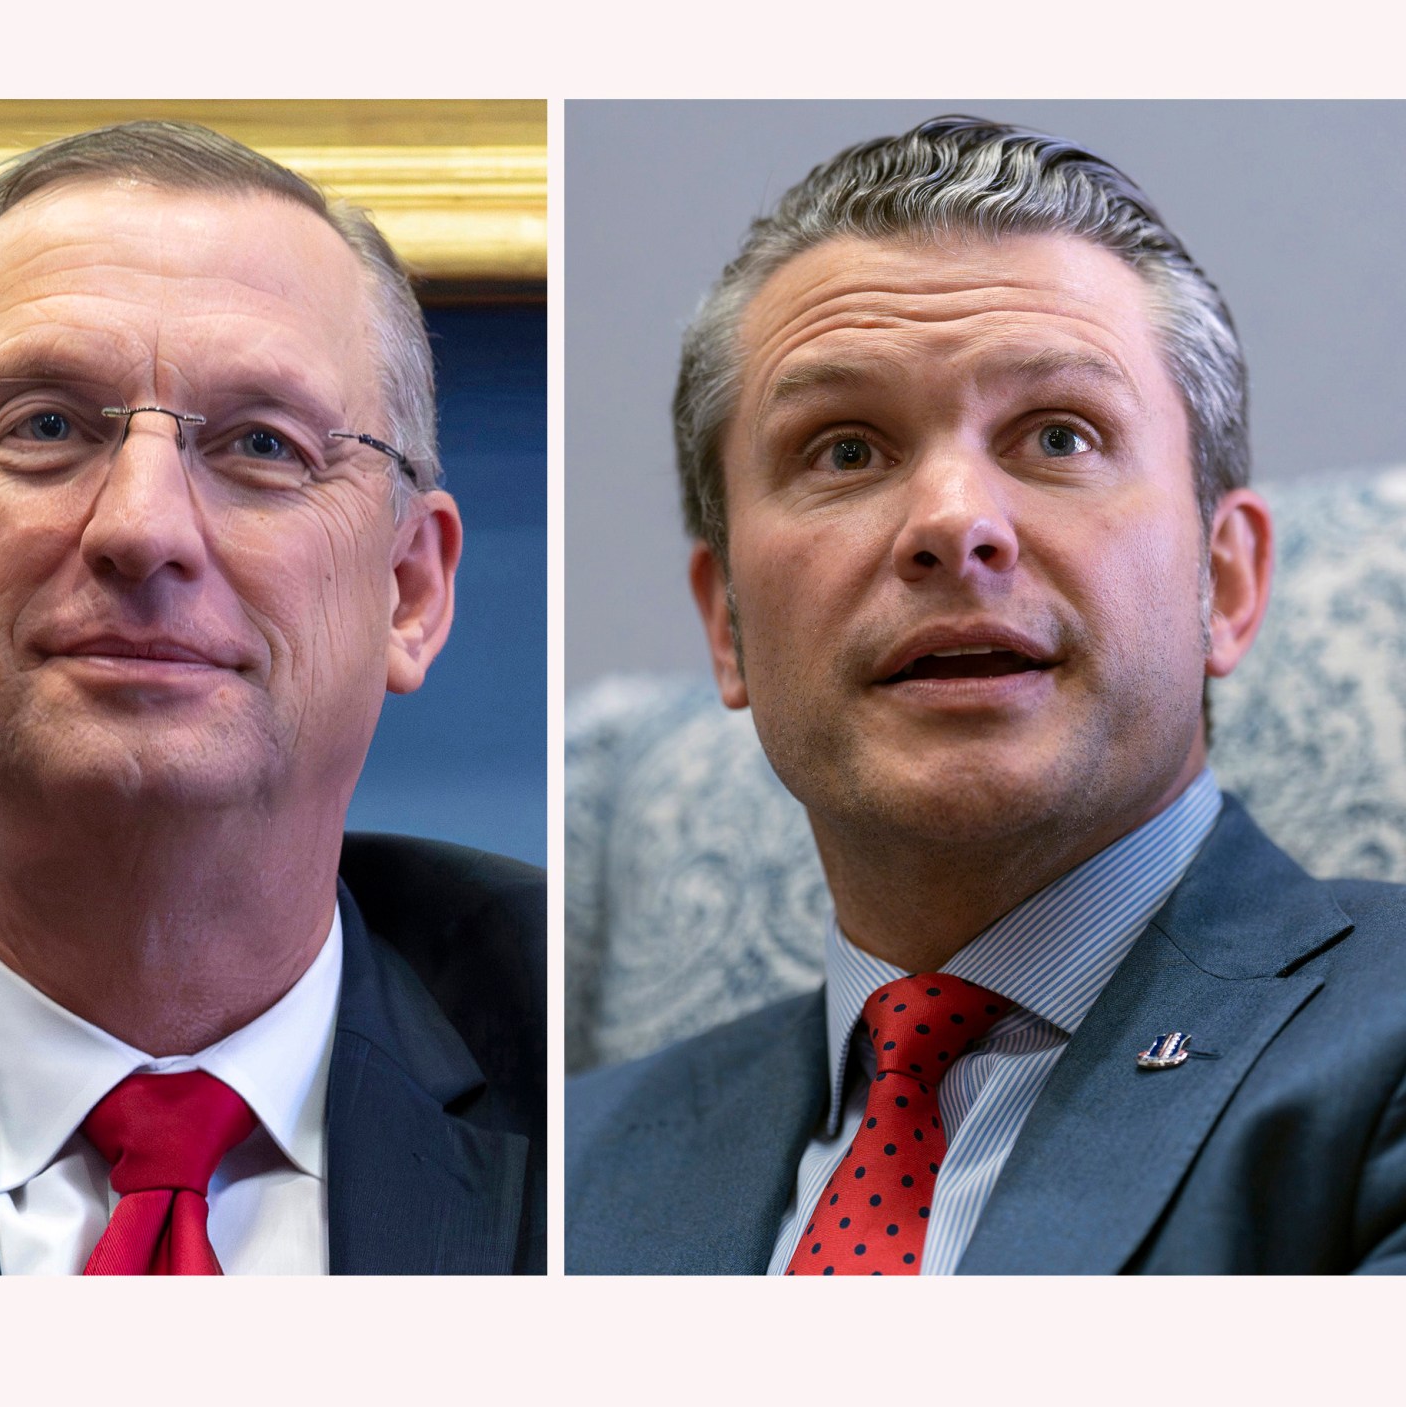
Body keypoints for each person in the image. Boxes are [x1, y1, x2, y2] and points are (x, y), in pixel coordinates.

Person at [566, 115, 1406, 1274]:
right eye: (846, 451)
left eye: (1058, 436)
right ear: (728, 626)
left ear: (1223, 579)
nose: (953, 522)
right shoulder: (565, 1171)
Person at [0, 121, 544, 1275]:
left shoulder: (584, 1069)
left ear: (409, 587)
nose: (142, 528)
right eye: (45, 428)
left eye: (262, 443)